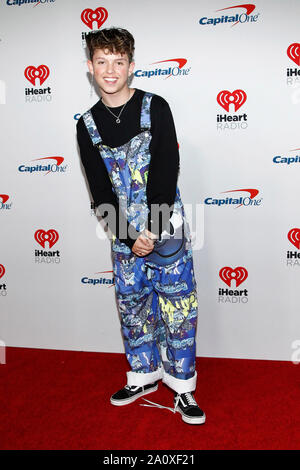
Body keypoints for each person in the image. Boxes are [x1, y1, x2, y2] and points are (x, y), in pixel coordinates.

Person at [76, 27, 205, 425]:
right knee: (133, 306)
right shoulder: (86, 124)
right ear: (90, 67)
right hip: (121, 233)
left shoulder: (156, 107)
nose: (110, 70)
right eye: (102, 62)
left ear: (131, 66)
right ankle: (143, 376)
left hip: (165, 225)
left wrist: (150, 230)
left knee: (177, 304)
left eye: (118, 62)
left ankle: (182, 388)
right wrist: (129, 237)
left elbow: (168, 168)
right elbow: (99, 191)